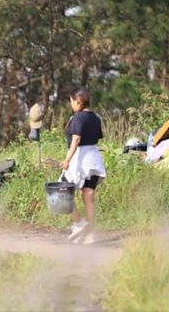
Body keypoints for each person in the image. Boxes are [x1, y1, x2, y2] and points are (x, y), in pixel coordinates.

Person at [61, 87, 106, 244]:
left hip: (80, 158)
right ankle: (91, 235)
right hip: (93, 158)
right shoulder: (96, 117)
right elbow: (97, 137)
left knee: (62, 191)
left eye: (72, 101)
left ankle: (79, 223)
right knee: (89, 196)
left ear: (78, 101)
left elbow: (76, 139)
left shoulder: (78, 117)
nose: (71, 104)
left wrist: (67, 159)